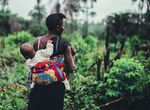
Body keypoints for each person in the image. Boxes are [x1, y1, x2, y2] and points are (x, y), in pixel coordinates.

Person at [27, 13, 75, 110]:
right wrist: (72, 56)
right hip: (55, 88)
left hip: (38, 85)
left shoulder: (37, 41)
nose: (63, 27)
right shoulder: (64, 44)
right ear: (58, 27)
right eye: (63, 25)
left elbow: (33, 59)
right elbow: (71, 68)